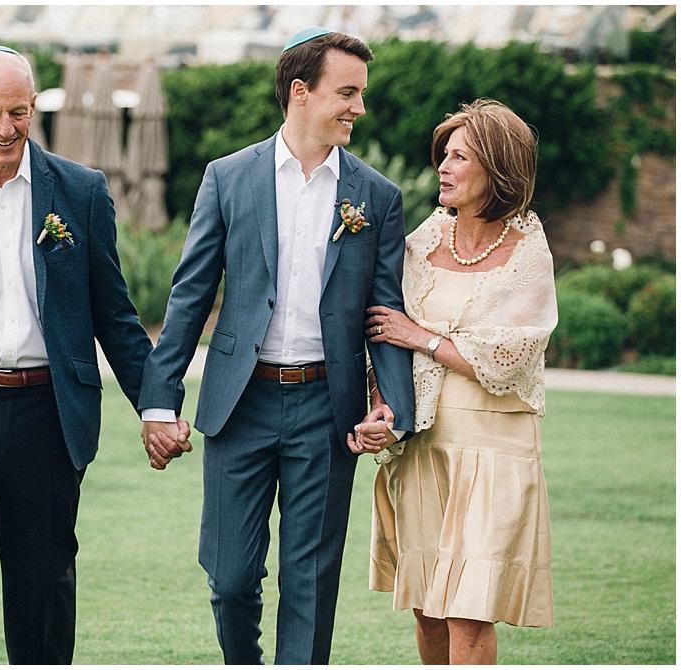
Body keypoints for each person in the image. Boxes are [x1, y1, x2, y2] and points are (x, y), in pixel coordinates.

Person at [0, 46, 189, 664]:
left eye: (18, 112)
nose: (6, 128)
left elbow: (115, 315)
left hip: (48, 410)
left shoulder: (81, 190)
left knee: (41, 578)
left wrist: (156, 408)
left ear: (34, 106)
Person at [138, 29, 416, 664]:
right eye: (347, 93)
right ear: (300, 92)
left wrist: (390, 405)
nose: (359, 107)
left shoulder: (377, 196)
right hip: (240, 404)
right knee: (231, 577)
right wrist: (159, 401)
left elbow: (385, 312)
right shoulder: (228, 177)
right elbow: (189, 295)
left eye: (360, 94)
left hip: (328, 409)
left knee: (311, 582)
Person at [352, 99, 557, 664]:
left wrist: (423, 338)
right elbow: (384, 335)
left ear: (498, 167)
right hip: (424, 446)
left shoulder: (527, 250)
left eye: (460, 157)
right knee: (428, 608)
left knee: (469, 610)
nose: (443, 166)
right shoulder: (424, 241)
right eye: (444, 154)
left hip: (494, 452)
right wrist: (380, 404)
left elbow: (510, 358)